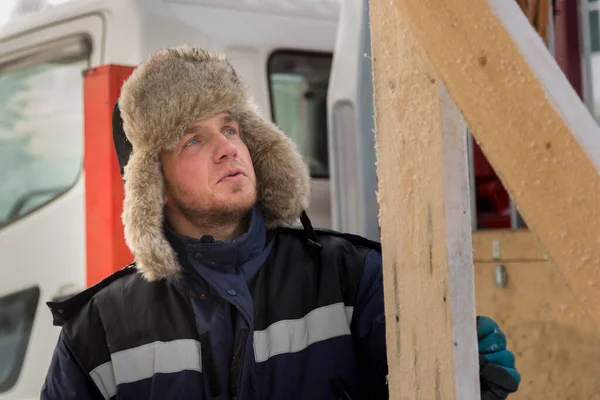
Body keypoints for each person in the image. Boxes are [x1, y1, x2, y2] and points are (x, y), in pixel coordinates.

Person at [41, 45, 520, 400]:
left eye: (230, 128)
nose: (228, 147)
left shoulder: (348, 278)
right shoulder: (98, 331)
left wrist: (467, 369)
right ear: (152, 182)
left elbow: (427, 384)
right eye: (193, 140)